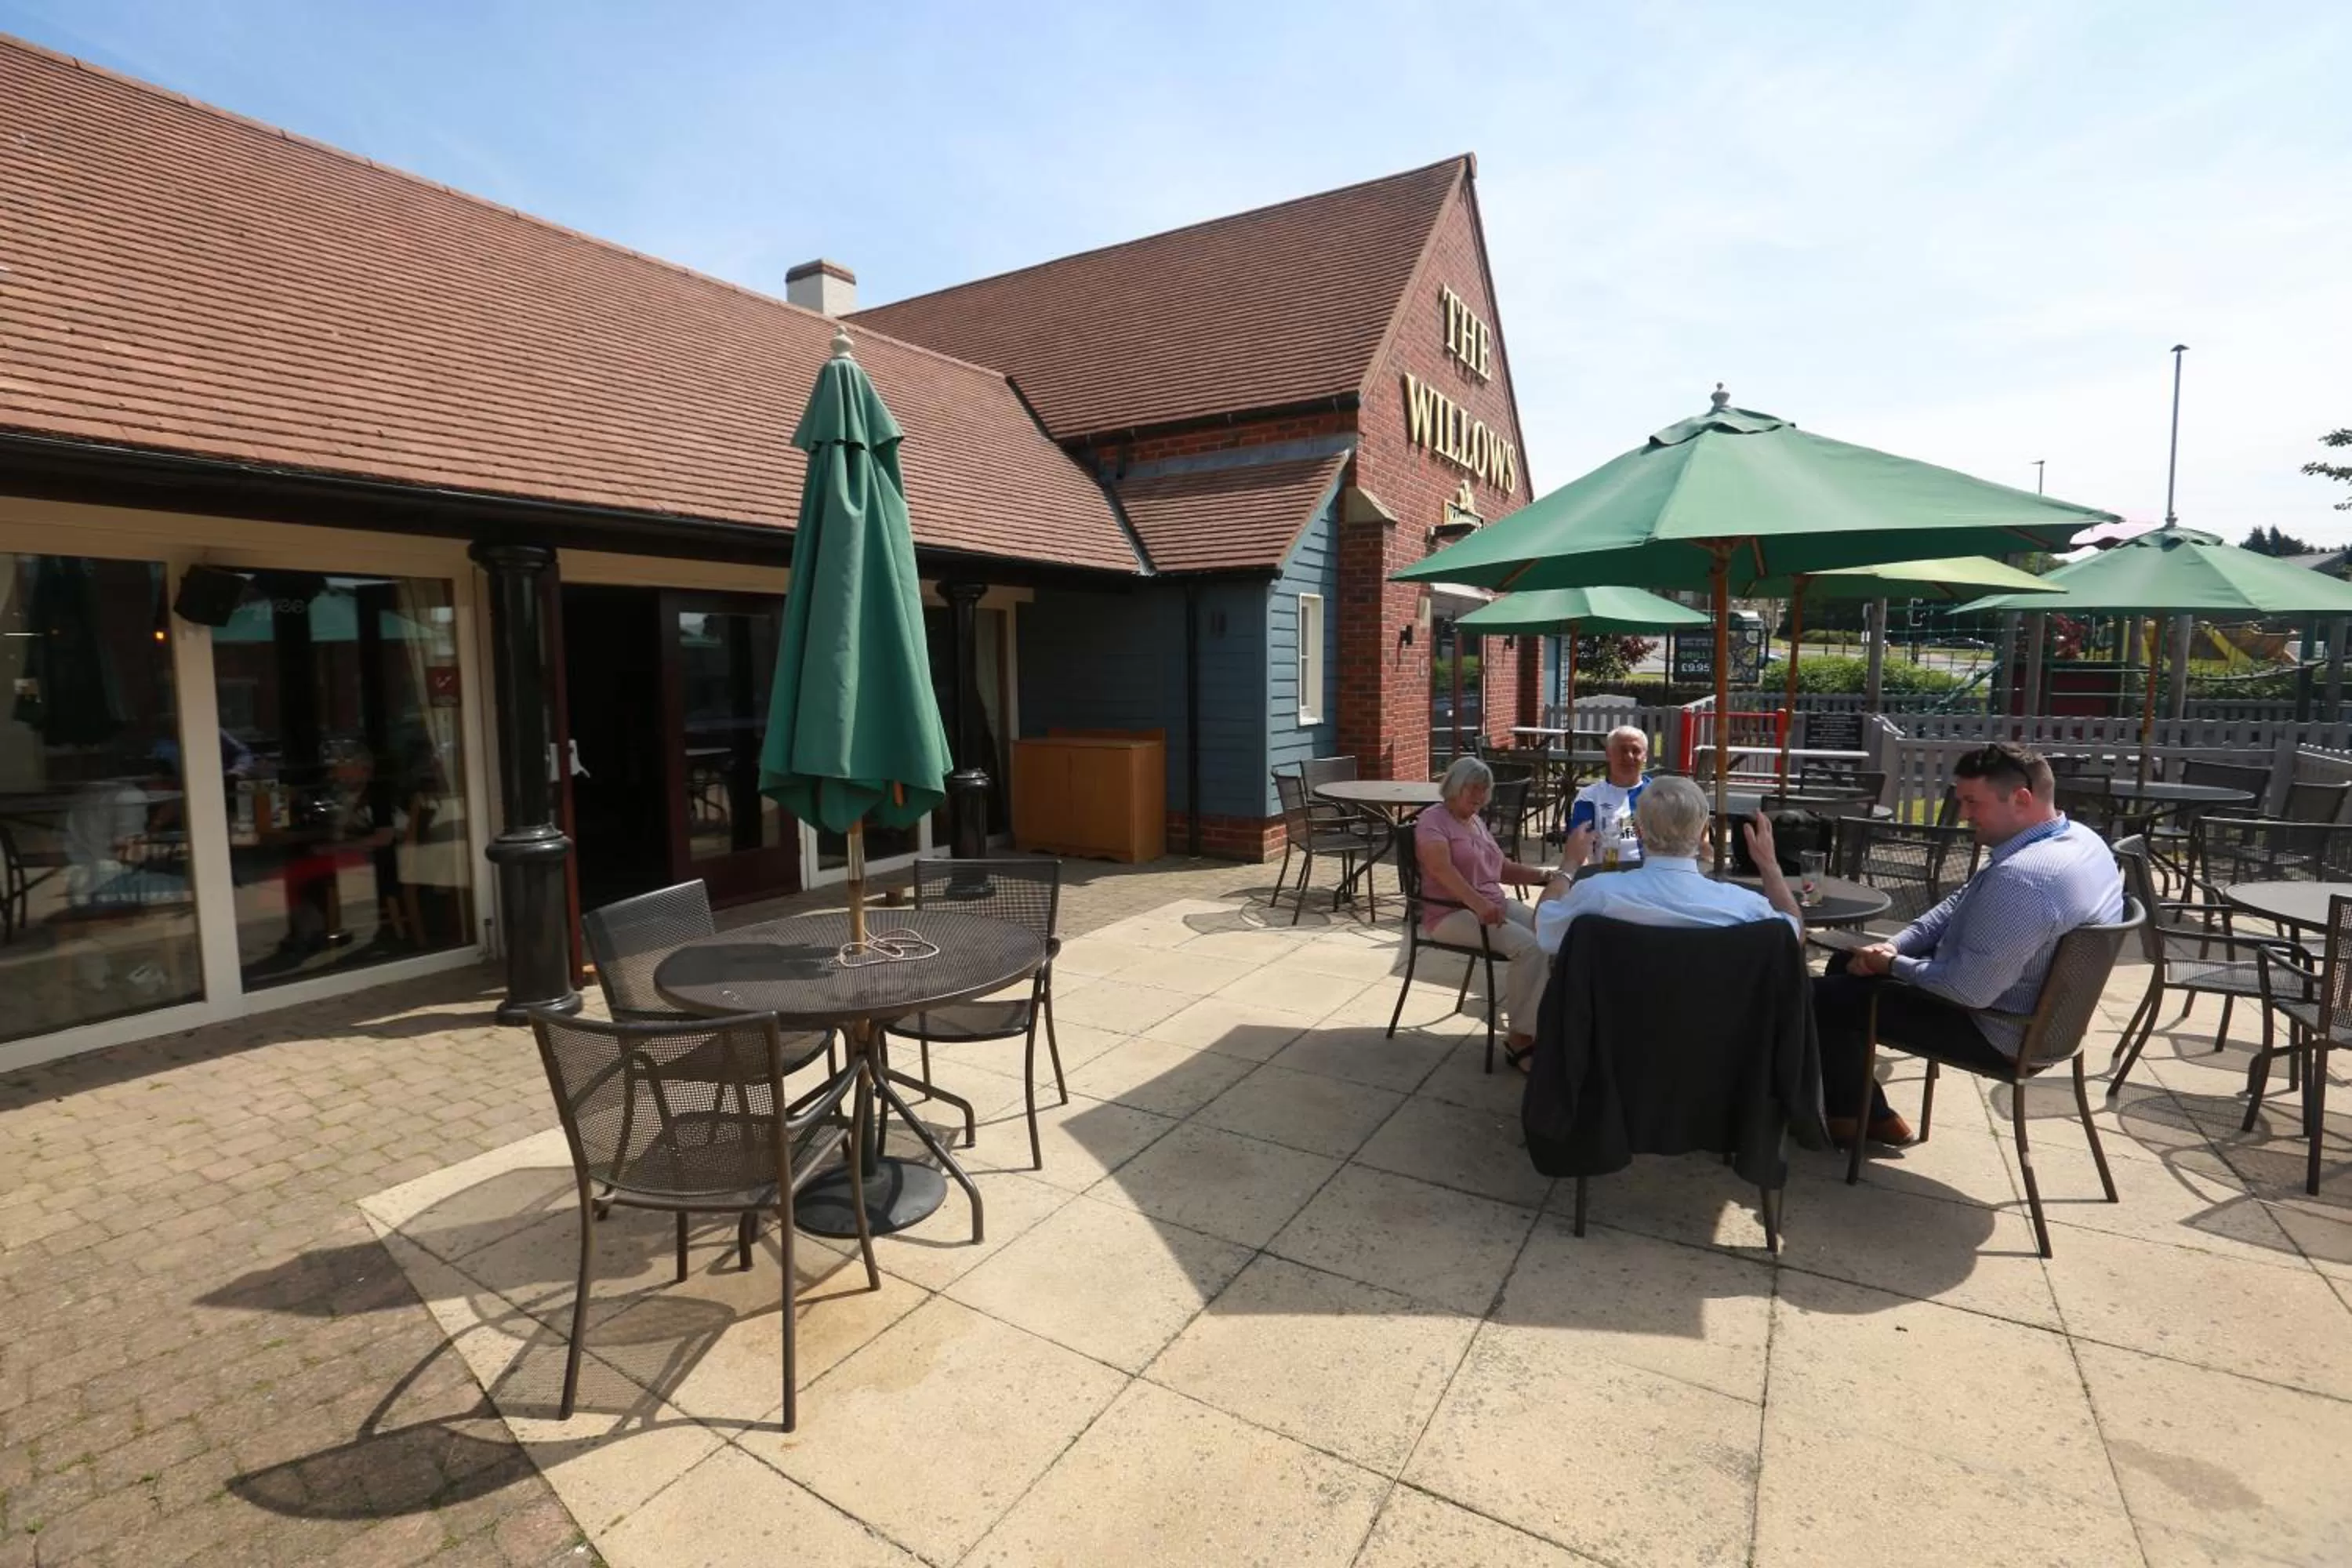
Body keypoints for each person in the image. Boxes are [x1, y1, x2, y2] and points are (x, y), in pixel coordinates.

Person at [1811, 741, 2125, 1149]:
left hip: (1999, 1029)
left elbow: (1967, 990)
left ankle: (1856, 1116)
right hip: (2046, 1024)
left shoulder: (2024, 878)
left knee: (1816, 996)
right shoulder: (2077, 840)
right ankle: (1863, 1115)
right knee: (1845, 967)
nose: (1964, 814)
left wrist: (1892, 967)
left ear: (2021, 799)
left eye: (1973, 802)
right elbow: (1961, 901)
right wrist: (1894, 947)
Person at [1416, 755, 1583, 1073]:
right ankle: (1519, 1038)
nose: (1479, 797)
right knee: (1530, 948)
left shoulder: (1475, 821)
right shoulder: (1432, 821)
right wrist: (1479, 904)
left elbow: (1501, 868)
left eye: (1484, 790)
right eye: (1473, 789)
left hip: (1492, 904)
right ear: (1454, 787)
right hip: (1449, 914)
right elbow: (1441, 870)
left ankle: (1542, 1025)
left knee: (1549, 935)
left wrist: (1545, 876)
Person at [1534, 774, 1803, 954]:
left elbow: (1542, 925)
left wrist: (1569, 864)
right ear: (1702, 834)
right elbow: (1796, 934)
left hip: (1616, 1035)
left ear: (1638, 831)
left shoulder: (1598, 895)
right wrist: (1770, 866)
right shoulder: (1745, 908)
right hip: (1717, 1036)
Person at [1566, 725, 1652, 865]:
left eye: (1636, 751)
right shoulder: (1589, 796)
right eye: (1622, 750)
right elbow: (1581, 848)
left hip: (1651, 876)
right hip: (1608, 874)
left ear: (1646, 756)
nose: (1629, 756)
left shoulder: (1660, 795)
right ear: (1608, 754)